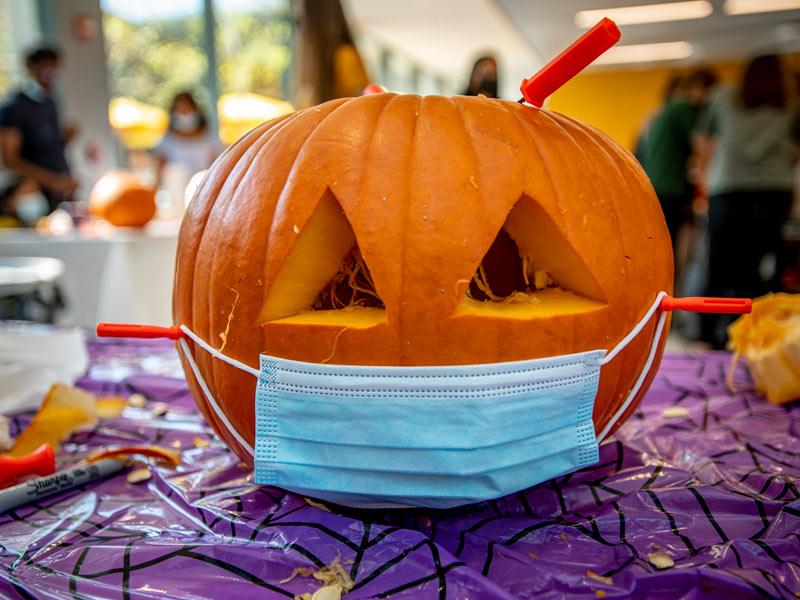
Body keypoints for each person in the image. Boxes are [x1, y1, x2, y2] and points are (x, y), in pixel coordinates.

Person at [696, 55, 800, 349]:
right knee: (755, 270)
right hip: (773, 189)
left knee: (718, 266)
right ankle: (749, 338)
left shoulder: (724, 97)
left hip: (728, 188)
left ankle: (707, 337)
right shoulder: (789, 101)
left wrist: (706, 176)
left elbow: (704, 140)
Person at [640, 69, 717, 248]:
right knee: (671, 242)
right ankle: (673, 276)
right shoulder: (683, 108)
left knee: (659, 240)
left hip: (654, 183)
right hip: (670, 186)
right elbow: (700, 144)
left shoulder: (662, 111)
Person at [0, 46, 77, 215]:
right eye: (48, 69)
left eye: (56, 70)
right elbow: (10, 161)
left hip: (61, 195)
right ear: (31, 68)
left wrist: (65, 138)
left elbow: (47, 147)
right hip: (33, 199)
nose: (52, 76)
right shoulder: (14, 108)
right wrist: (53, 181)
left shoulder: (50, 102)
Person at [154, 91, 221, 186]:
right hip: (176, 189)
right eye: (180, 111)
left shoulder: (209, 137)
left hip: (203, 184)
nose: (183, 114)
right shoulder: (167, 139)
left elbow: (218, 162)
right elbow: (160, 164)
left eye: (186, 110)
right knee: (175, 172)